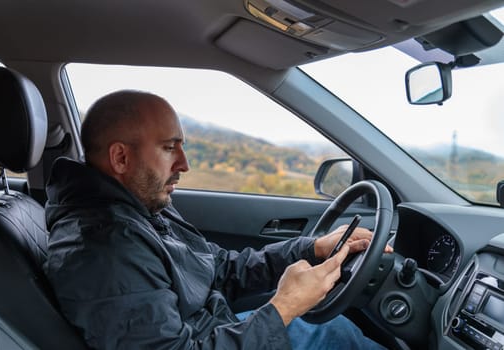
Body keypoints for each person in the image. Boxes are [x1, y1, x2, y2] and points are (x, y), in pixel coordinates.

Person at [44, 90, 390, 349]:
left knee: (332, 330)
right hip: (207, 338)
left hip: (214, 330)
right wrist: (283, 307)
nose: (184, 163)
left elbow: (218, 268)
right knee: (332, 335)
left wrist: (311, 248)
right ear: (120, 157)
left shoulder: (139, 209)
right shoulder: (105, 250)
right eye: (169, 148)